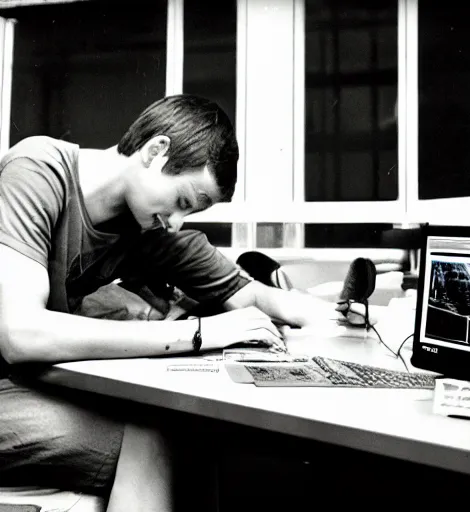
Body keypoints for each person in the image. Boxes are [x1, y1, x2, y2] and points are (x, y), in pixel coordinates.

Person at [0, 94, 351, 511]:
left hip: (26, 387)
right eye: (184, 201)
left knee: (188, 433)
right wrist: (198, 333)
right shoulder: (38, 169)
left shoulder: (147, 223)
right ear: (155, 151)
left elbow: (245, 292)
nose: (179, 221)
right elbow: (19, 333)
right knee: (165, 443)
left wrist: (337, 313)